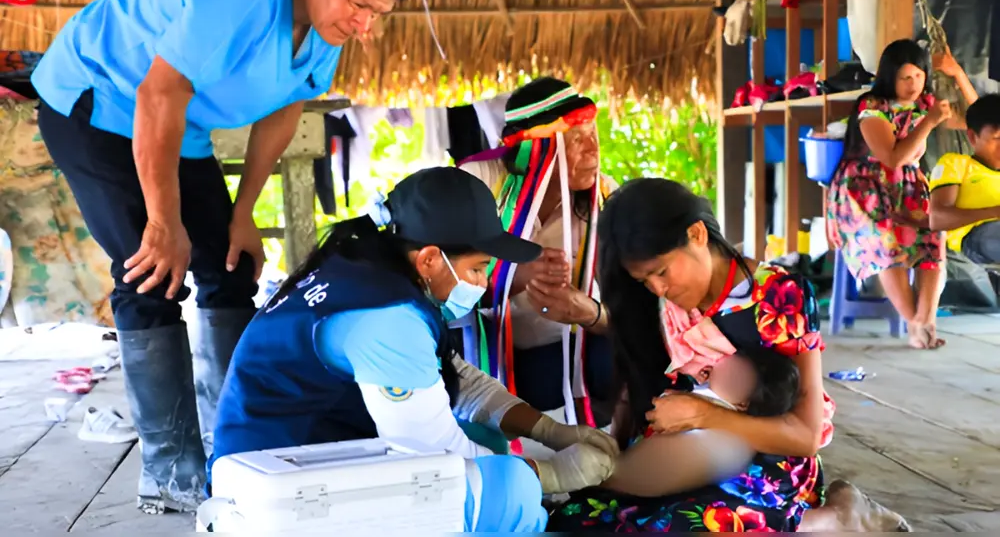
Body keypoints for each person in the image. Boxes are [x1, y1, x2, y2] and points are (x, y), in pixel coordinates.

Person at [31, 0, 414, 513]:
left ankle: (233, 445)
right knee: (151, 272)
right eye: (359, 6)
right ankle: (169, 472)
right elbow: (157, 93)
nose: (365, 27)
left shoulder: (326, 26)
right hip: (96, 102)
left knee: (233, 267)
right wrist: (163, 222)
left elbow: (286, 108)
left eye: (376, 14)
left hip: (177, 127)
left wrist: (243, 212)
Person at [210, 167, 620, 532]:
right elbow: (439, 459)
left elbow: (459, 380)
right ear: (428, 260)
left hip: (284, 462)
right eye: (477, 267)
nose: (482, 281)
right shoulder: (387, 319)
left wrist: (551, 432)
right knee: (511, 492)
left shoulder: (368, 273)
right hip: (278, 498)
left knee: (486, 436)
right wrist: (550, 474)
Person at [549, 178, 909, 533]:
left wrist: (703, 415)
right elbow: (636, 385)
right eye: (645, 280)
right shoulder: (662, 305)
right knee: (579, 519)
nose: (658, 288)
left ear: (697, 235)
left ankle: (830, 518)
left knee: (679, 525)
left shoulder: (779, 295)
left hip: (767, 459)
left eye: (661, 272)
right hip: (683, 454)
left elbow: (804, 436)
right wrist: (615, 454)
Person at [460, 77, 617, 428]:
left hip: (569, 358)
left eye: (594, 135)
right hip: (486, 355)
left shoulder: (602, 196)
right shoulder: (479, 182)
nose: (593, 150)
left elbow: (632, 309)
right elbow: (438, 282)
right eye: (577, 139)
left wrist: (589, 313)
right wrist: (516, 276)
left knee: (616, 359)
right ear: (537, 146)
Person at [825, 39, 976, 350]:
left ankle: (926, 321)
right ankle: (915, 323)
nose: (913, 85)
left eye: (919, 76)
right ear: (889, 76)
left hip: (907, 187)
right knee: (887, 241)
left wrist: (957, 73)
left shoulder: (925, 104)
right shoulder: (872, 107)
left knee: (933, 238)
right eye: (905, 78)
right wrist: (930, 122)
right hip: (862, 190)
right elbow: (892, 158)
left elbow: (982, 121)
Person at [929, 93, 1000, 266]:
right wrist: (995, 212)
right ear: (972, 137)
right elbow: (937, 219)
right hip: (975, 237)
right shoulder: (956, 164)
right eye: (997, 138)